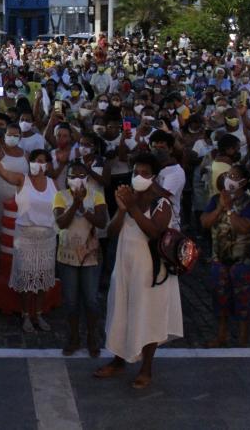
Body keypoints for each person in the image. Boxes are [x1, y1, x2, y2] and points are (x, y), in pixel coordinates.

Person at [96, 154, 183, 389]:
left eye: (145, 173)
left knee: (148, 316)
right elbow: (111, 231)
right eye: (136, 172)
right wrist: (122, 209)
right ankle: (118, 359)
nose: (138, 177)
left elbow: (154, 232)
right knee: (121, 312)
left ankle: (146, 368)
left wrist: (133, 207)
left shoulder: (161, 203)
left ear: (154, 177)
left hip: (150, 272)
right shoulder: (128, 198)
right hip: (125, 267)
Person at [0, 146, 58, 332]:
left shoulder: (52, 183)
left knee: (42, 278)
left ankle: (38, 314)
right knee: (26, 278)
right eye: (35, 160)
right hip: (25, 238)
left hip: (47, 238)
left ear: (48, 165)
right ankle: (26, 315)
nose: (38, 164)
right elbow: (3, 172)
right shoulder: (22, 179)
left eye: (42, 161)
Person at [200, 165, 250, 347]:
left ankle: (243, 340)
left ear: (243, 181)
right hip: (219, 258)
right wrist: (219, 208)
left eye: (233, 176)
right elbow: (205, 222)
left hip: (242, 260)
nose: (229, 178)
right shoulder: (215, 199)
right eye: (228, 175)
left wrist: (229, 209)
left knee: (244, 301)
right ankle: (221, 336)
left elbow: (245, 227)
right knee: (220, 299)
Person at [54, 161, 108, 356]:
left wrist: (83, 209)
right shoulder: (60, 196)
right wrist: (75, 205)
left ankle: (92, 337)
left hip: (90, 256)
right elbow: (61, 223)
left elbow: (102, 222)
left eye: (81, 176)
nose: (77, 179)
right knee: (71, 301)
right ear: (67, 179)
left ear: (87, 178)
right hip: (67, 255)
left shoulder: (97, 196)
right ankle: (74, 337)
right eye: (72, 176)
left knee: (91, 300)